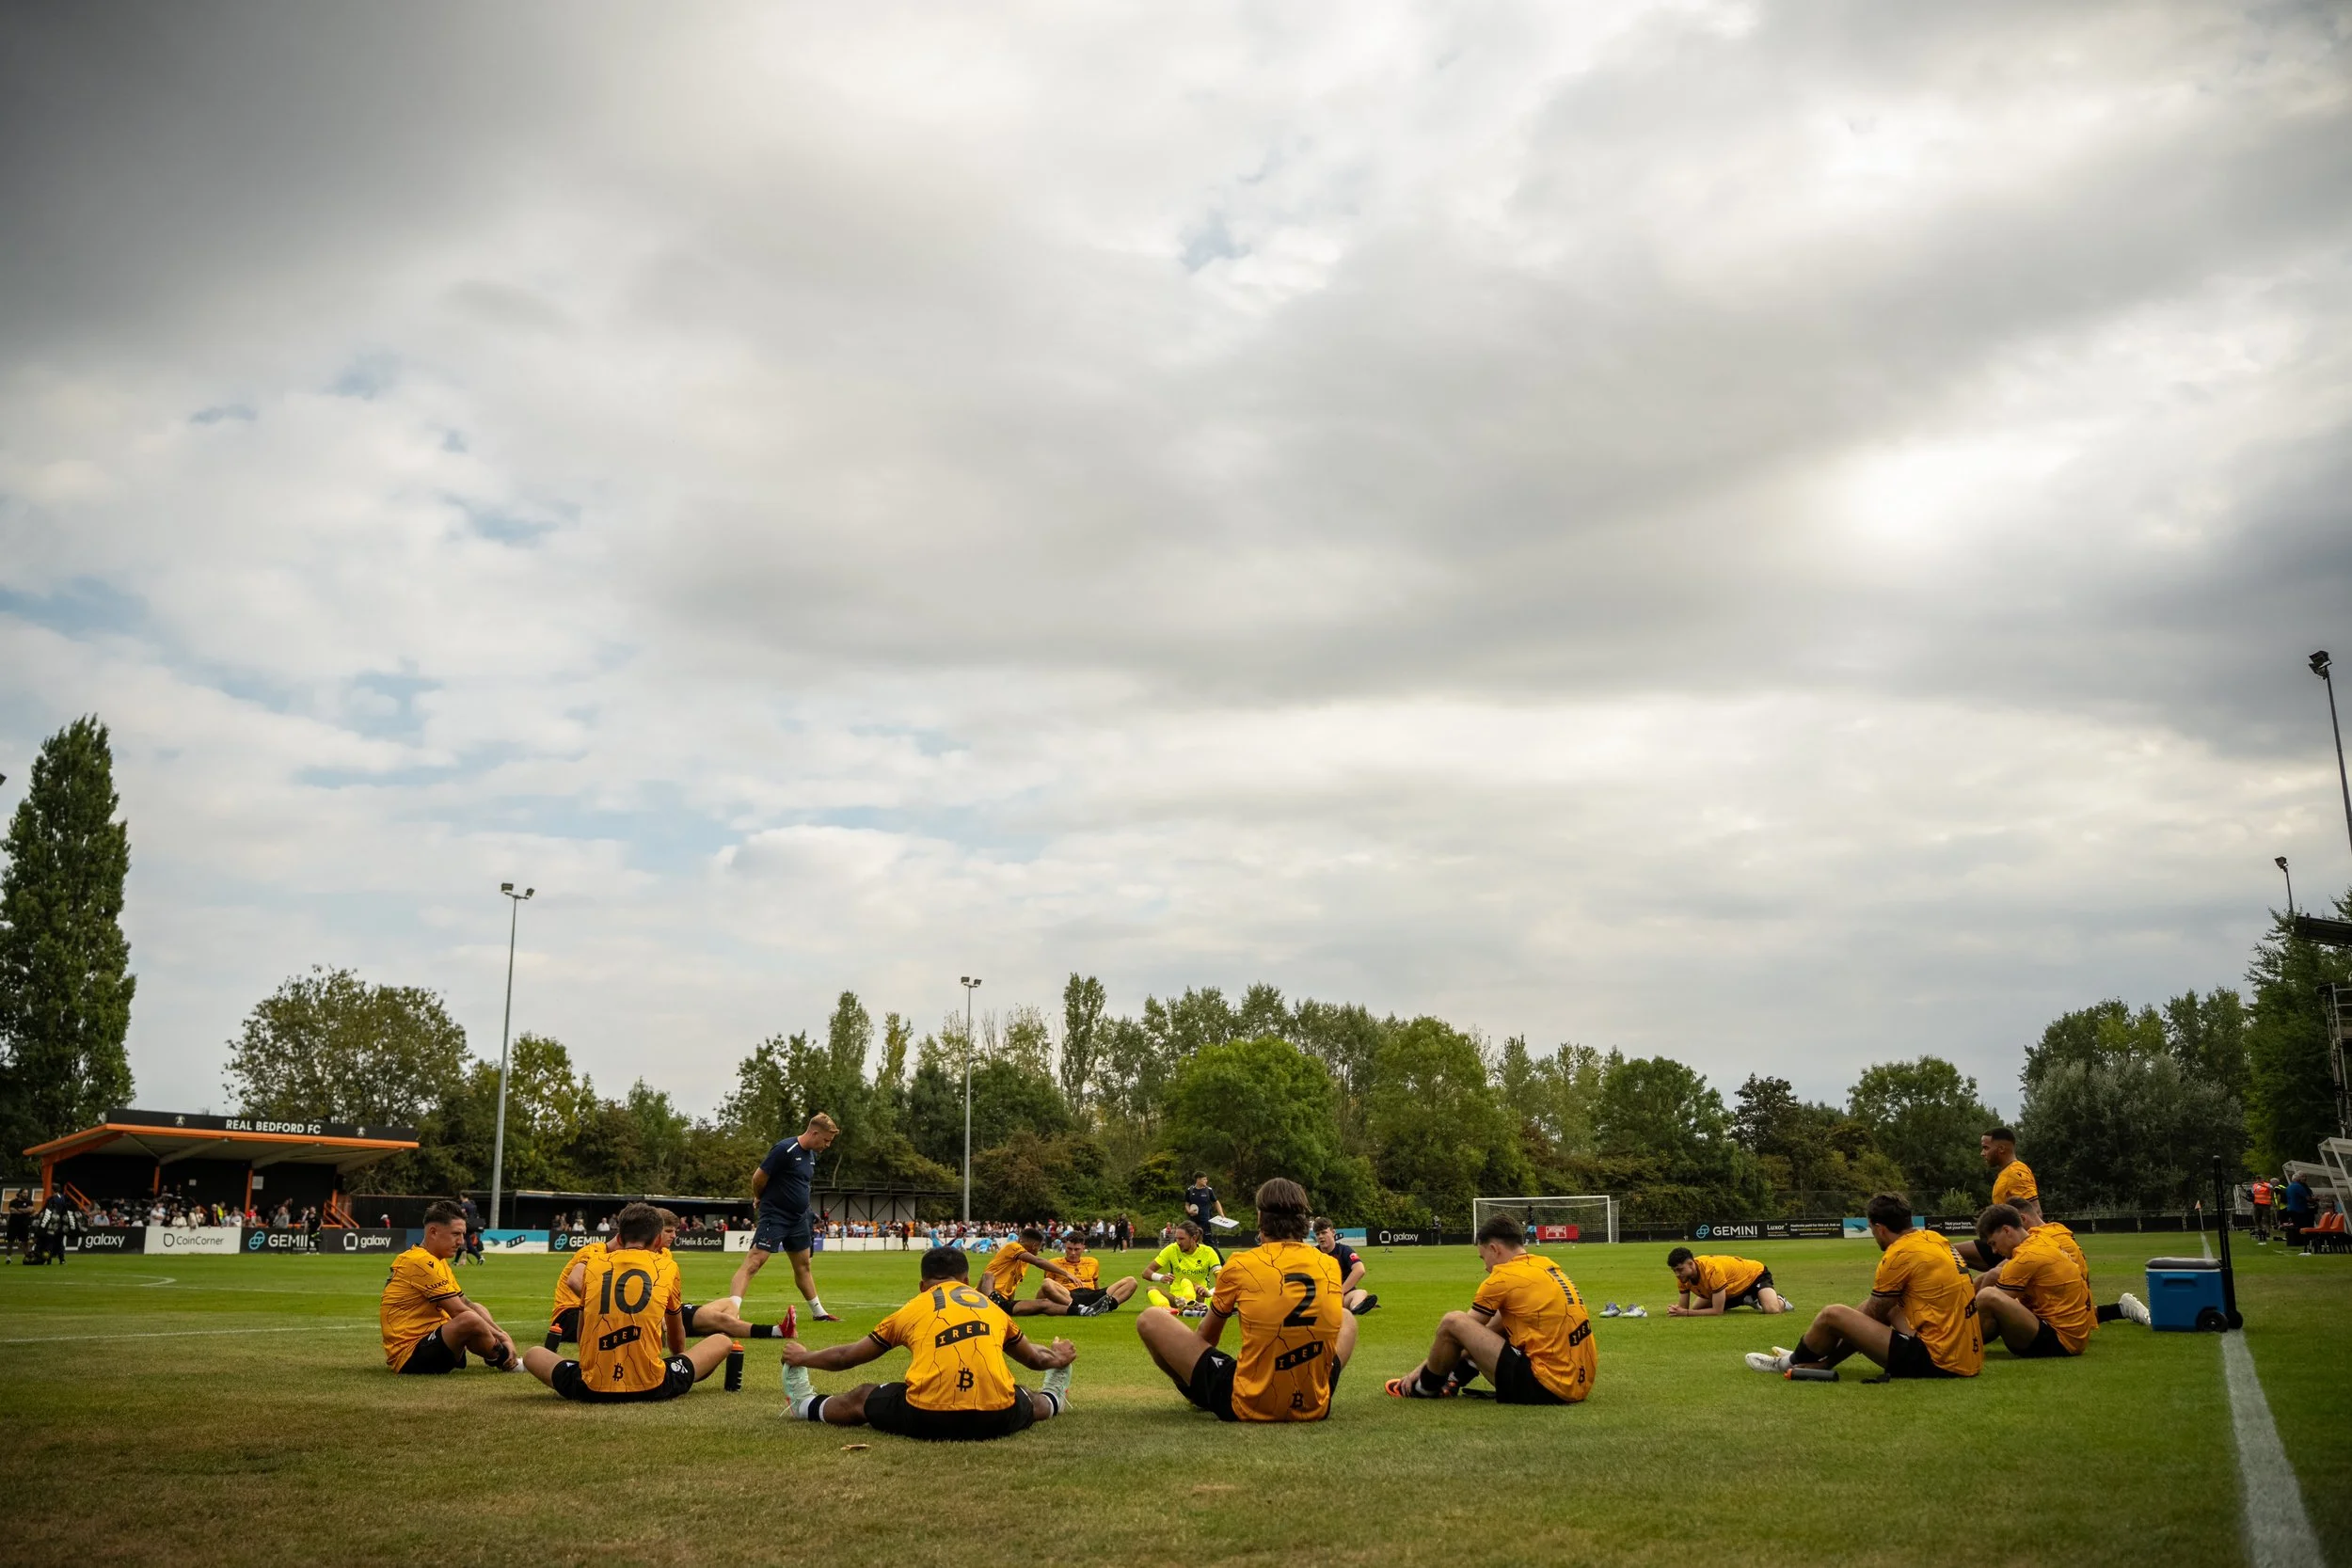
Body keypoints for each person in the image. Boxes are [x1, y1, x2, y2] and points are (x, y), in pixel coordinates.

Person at [780, 1245, 1075, 1440]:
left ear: (922, 1285)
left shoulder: (911, 1308)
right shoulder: (991, 1308)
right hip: (996, 1419)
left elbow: (846, 1357)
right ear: (966, 1279)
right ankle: (1054, 1397)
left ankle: (804, 1404)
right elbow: (1035, 1360)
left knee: (862, 1396)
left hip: (929, 1417)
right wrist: (1057, 1357)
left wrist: (802, 1357)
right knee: (1023, 1395)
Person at [1136, 1177, 1353, 1422]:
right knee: (1348, 1320)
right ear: (1304, 1219)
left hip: (1250, 1399)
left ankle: (1196, 1394)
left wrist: (1200, 1372)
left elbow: (1207, 1338)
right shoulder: (1330, 1265)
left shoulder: (1241, 1263)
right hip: (1314, 1403)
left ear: (1260, 1217)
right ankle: (1310, 1387)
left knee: (1150, 1319)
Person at [1745, 1192, 1982, 1381]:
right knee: (1877, 1305)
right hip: (1966, 1355)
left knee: (1833, 1314)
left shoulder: (1899, 1253)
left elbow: (1872, 1317)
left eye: (1871, 1230)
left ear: (1880, 1228)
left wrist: (1828, 1363)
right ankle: (1811, 1351)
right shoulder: (1934, 1238)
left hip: (1938, 1361)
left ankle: (1788, 1362)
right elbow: (1875, 1311)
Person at [522, 1203, 734, 1402]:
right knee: (722, 1341)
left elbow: (582, 1334)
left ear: (620, 1238)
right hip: (652, 1385)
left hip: (590, 1386)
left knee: (533, 1355)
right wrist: (680, 1361)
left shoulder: (594, 1264)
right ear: (658, 1241)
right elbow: (676, 1334)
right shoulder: (667, 1266)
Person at [1386, 1212, 1595, 1404]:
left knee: (1453, 1321)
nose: (1485, 1266)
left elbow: (1459, 1330)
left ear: (1494, 1249)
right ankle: (1455, 1377)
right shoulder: (1545, 1265)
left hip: (1545, 1387)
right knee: (1496, 1326)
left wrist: (1419, 1371)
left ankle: (1424, 1388)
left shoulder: (1503, 1276)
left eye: (1483, 1257)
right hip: (1578, 1384)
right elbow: (1486, 1332)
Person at [379, 1200, 522, 1374]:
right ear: (433, 1232)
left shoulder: (436, 1260)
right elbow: (458, 1311)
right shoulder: (420, 1261)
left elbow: (466, 1303)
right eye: (456, 1234)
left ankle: (495, 1354)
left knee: (477, 1308)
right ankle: (506, 1360)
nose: (461, 1242)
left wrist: (502, 1333)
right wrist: (502, 1337)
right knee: (469, 1319)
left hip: (433, 1341)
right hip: (410, 1354)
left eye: (463, 1235)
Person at [728, 1112, 842, 1322]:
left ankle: (819, 1313)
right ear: (814, 1133)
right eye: (826, 1140)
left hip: (799, 1218)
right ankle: (730, 1312)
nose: (827, 1145)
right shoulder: (785, 1149)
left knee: (804, 1266)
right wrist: (758, 1197)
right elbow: (758, 1177)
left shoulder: (812, 1156)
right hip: (776, 1216)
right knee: (754, 1263)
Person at [1969, 1204, 2095, 1358]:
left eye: (1993, 1243)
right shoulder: (2038, 1238)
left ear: (2007, 1230)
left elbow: (1987, 1306)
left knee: (1987, 1296)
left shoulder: (2026, 1258)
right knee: (1993, 1275)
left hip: (2061, 1341)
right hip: (2070, 1333)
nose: (1994, 1251)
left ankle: (1960, 1345)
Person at [1951, 1128, 2036, 1270]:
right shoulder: (2006, 1173)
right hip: (2001, 1241)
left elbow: (2033, 1212)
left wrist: (2028, 1250)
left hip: (2012, 1245)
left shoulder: (2016, 1172)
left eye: (1986, 1148)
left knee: (1947, 1252)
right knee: (1953, 1256)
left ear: (2001, 1149)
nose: (1982, 1153)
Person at [1026, 1232, 1139, 1317]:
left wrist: (1101, 1295)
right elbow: (1046, 1289)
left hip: (1092, 1294)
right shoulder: (1053, 1263)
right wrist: (1037, 1305)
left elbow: (1096, 1284)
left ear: (1083, 1248)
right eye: (1069, 1249)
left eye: (1077, 1249)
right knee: (1046, 1283)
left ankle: (1104, 1306)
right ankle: (1080, 1308)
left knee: (1131, 1281)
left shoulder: (1093, 1261)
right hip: (1069, 1295)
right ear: (1065, 1246)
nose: (1073, 1253)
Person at [978, 1226, 1079, 1315]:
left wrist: (1011, 1304)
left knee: (1045, 1303)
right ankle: (990, 1304)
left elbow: (1011, 1286)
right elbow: (1038, 1261)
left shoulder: (1023, 1262)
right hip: (983, 1296)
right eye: (1039, 1248)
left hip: (1003, 1303)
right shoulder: (1012, 1246)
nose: (1038, 1252)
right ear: (1034, 1246)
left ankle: (1081, 1311)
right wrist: (1066, 1273)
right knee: (988, 1275)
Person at [1664, 1247, 1791, 1315]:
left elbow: (1717, 1312)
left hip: (1754, 1275)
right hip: (1731, 1286)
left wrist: (1686, 1313)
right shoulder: (1683, 1276)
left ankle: (1780, 1300)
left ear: (1691, 1264)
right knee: (1697, 1307)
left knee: (1772, 1310)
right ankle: (1747, 1299)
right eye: (1674, 1270)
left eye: (1679, 1270)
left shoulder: (1713, 1270)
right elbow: (1683, 1308)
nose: (1677, 1274)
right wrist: (1677, 1310)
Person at [1143, 1222, 1224, 1314]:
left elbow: (1222, 1279)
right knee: (1151, 1289)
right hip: (1177, 1299)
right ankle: (1168, 1309)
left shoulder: (1208, 1252)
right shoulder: (1172, 1249)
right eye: (1176, 1238)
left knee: (1185, 1281)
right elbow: (1146, 1273)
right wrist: (1161, 1277)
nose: (1178, 1242)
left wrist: (1209, 1293)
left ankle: (1190, 1303)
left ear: (1194, 1238)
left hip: (1199, 1296)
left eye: (1181, 1239)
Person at [1312, 1217, 1379, 1315]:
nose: (1321, 1237)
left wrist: (1340, 1291)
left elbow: (1359, 1269)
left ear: (1333, 1232)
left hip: (1344, 1295)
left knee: (1360, 1293)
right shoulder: (1313, 1253)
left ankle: (1356, 1307)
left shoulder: (1344, 1250)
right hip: (1322, 1296)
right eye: (1318, 1234)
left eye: (1324, 1232)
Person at [2283, 1173, 2315, 1243]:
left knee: (2296, 1225)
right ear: (2298, 1179)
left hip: (2290, 1208)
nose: (2304, 1179)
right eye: (2302, 1177)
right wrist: (2315, 1199)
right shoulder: (2299, 1187)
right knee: (2303, 1225)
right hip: (2299, 1209)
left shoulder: (2289, 1187)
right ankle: (2304, 1240)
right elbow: (2308, 1198)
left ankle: (2297, 1240)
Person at [6, 1192, 32, 1263]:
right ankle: (8, 1257)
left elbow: (30, 1210)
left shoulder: (29, 1202)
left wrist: (18, 1210)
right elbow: (12, 1210)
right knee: (10, 1242)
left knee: (25, 1242)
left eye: (27, 1193)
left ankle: (27, 1257)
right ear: (20, 1194)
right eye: (24, 1193)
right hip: (13, 1225)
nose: (26, 1194)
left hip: (24, 1225)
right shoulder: (13, 1202)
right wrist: (24, 1211)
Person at [2250, 1177, 2274, 1243]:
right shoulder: (2255, 1185)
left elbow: (2272, 1189)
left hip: (2265, 1204)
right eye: (2257, 1179)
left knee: (2266, 1218)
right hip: (2257, 1204)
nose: (2259, 1180)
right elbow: (2253, 1193)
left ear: (2263, 1179)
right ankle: (2260, 1230)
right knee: (2256, 1218)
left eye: (2260, 1178)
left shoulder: (2267, 1184)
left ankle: (2268, 1231)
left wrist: (2271, 1200)